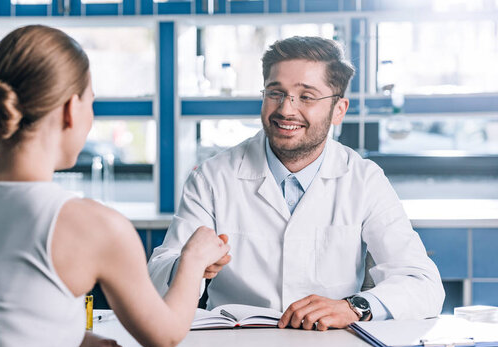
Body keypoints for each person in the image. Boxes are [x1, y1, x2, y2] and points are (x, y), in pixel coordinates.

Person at [0, 25, 230, 347]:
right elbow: (165, 335)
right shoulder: (91, 225)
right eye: (91, 101)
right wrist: (193, 259)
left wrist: (74, 338)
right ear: (70, 109)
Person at [148, 36, 444, 331]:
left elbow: (423, 285)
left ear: (339, 110)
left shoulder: (364, 180)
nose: (286, 109)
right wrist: (187, 265)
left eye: (306, 96)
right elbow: (156, 282)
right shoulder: (212, 177)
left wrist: (354, 307)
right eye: (275, 93)